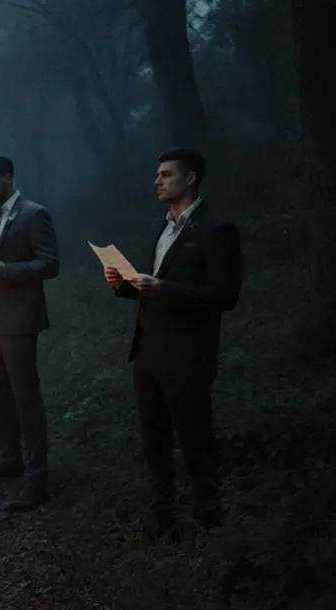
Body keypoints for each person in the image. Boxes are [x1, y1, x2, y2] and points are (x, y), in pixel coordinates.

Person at [103, 147, 242, 536]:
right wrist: (124, 286)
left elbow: (224, 295)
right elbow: (152, 288)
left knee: (196, 441)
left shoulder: (217, 229)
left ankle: (210, 522)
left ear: (190, 178)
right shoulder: (160, 227)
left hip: (187, 355)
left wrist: (163, 287)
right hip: (148, 351)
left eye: (166, 174)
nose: (157, 181)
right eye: (157, 174)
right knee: (155, 443)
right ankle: (162, 520)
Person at [0, 155, 61, 512]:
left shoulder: (35, 214)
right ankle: (8, 460)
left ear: (9, 178)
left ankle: (36, 480)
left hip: (18, 320)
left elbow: (50, 264)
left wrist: (6, 269)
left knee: (26, 398)